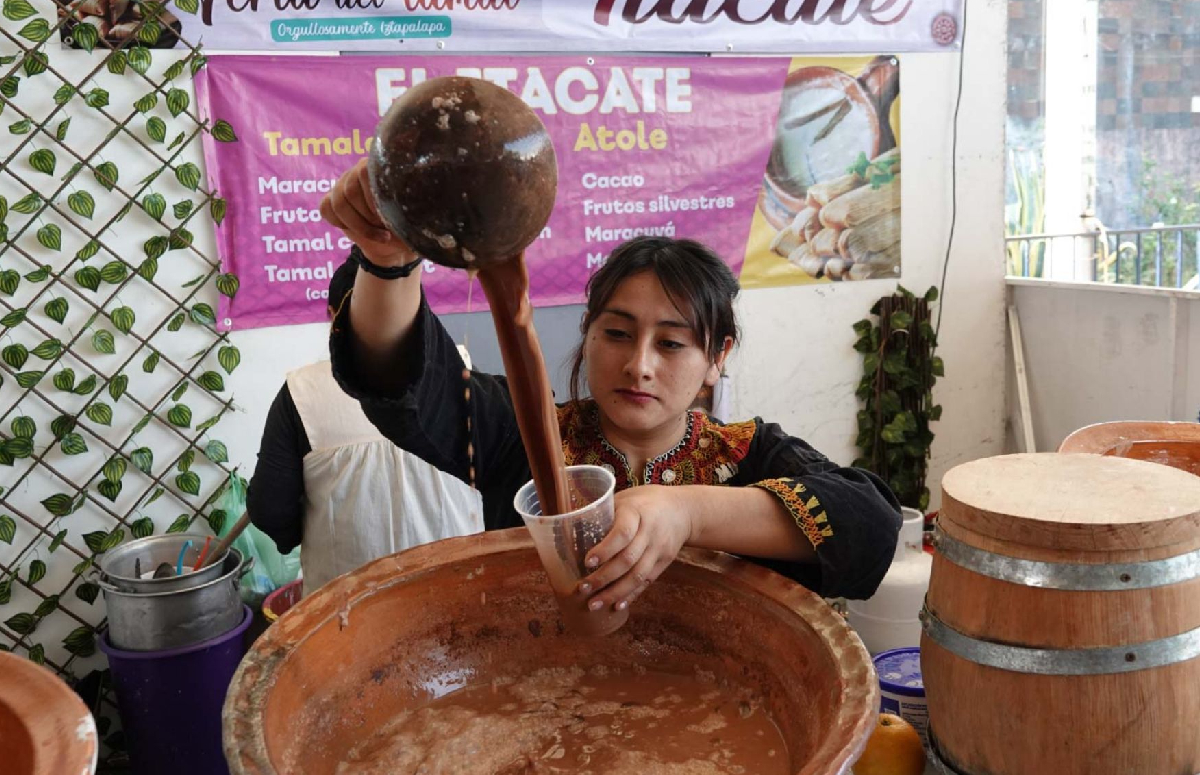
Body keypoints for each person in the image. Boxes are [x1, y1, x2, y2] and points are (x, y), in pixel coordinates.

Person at [319, 158, 901, 613]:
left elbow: (871, 524)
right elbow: (408, 381)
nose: (639, 365)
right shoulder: (517, 435)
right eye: (618, 334)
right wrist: (386, 261)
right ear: (588, 332)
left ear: (717, 357)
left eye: (672, 344)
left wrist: (686, 513)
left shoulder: (747, 457)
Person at [247, 258, 484, 594]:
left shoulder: (301, 394)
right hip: (460, 592)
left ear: (332, 318)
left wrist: (310, 531)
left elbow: (271, 510)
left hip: (348, 612)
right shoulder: (464, 371)